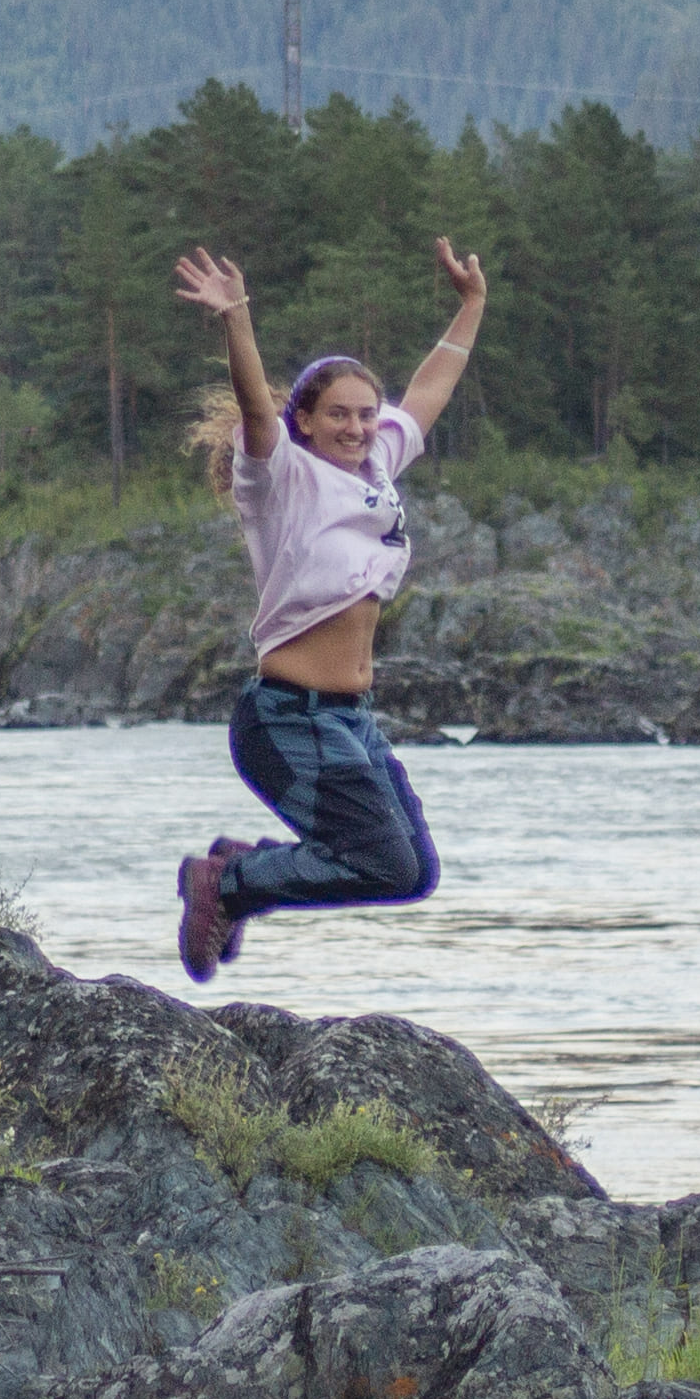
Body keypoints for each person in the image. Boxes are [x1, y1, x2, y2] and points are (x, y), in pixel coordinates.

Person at [164, 235, 489, 981]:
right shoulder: (278, 479)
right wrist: (236, 319)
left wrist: (472, 305)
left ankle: (240, 872)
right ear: (304, 420)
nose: (356, 427)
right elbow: (252, 403)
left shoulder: (376, 464)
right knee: (377, 859)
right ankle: (230, 885)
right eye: (338, 415)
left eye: (366, 415)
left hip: (349, 720)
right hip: (287, 717)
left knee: (412, 873)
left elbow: (432, 389)